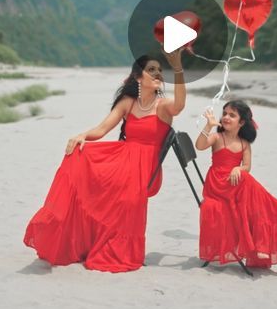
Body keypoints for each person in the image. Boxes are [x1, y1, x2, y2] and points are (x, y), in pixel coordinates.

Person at [24, 50, 186, 273]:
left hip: (145, 168)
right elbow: (101, 129)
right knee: (79, 154)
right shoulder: (128, 102)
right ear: (139, 78)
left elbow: (179, 106)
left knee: (123, 197)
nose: (158, 73)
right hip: (123, 158)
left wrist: (177, 68)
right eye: (151, 70)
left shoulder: (164, 105)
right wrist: (82, 135)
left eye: (160, 70)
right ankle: (74, 233)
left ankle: (119, 249)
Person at [196, 100, 277, 268]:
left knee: (248, 189)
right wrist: (208, 126)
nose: (226, 117)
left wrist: (238, 169)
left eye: (232, 115)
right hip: (217, 185)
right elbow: (199, 146)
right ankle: (262, 243)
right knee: (251, 188)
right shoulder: (217, 137)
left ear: (242, 122)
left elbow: (247, 166)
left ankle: (261, 242)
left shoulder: (244, 144)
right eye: (224, 114)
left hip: (234, 184)